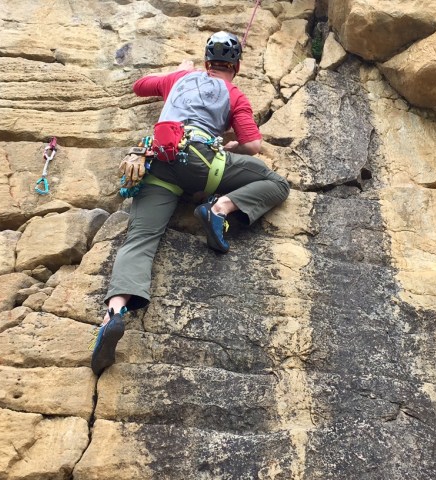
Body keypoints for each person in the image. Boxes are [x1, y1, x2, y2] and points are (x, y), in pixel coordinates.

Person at [90, 31, 290, 376]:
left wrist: (177, 71)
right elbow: (254, 146)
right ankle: (220, 209)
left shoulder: (180, 77)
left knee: (140, 239)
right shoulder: (235, 94)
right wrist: (231, 147)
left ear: (206, 61)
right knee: (275, 183)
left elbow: (140, 85)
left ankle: (115, 312)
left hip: (158, 163)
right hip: (205, 167)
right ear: (236, 66)